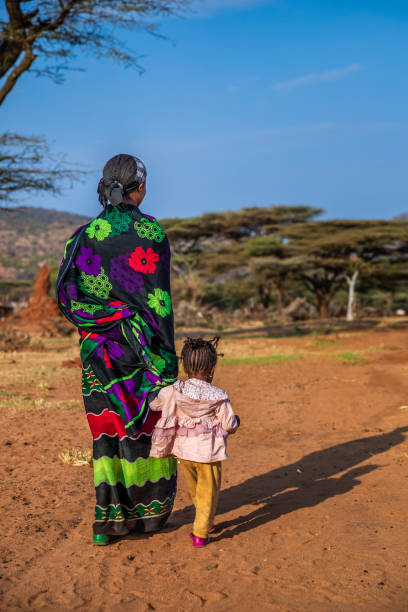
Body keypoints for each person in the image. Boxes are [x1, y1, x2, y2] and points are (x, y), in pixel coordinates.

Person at [56, 154, 178, 545]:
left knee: (106, 433)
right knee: (144, 426)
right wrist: (165, 361)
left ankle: (109, 525)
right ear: (139, 187)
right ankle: (149, 519)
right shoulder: (153, 235)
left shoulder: (82, 237)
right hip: (143, 350)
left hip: (98, 352)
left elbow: (67, 298)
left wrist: (103, 320)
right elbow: (159, 303)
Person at [149, 337, 240, 547]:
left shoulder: (173, 390)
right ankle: (201, 532)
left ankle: (205, 521)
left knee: (196, 489)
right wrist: (237, 422)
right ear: (211, 368)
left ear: (184, 365)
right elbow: (229, 425)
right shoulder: (218, 396)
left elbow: (154, 404)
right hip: (208, 454)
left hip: (184, 453)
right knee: (208, 491)